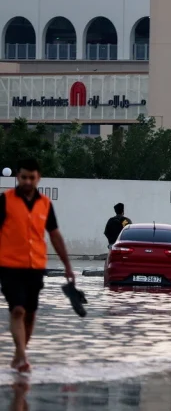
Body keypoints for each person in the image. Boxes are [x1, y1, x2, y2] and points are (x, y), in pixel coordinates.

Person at [0, 158, 75, 373]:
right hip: (9, 266)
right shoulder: (5, 201)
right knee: (17, 310)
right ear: (18, 177)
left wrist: (68, 266)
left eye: (31, 177)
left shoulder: (45, 204)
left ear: (38, 178)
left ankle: (18, 354)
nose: (27, 181)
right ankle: (23, 358)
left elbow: (55, 235)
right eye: (23, 177)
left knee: (31, 314)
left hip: (35, 267)